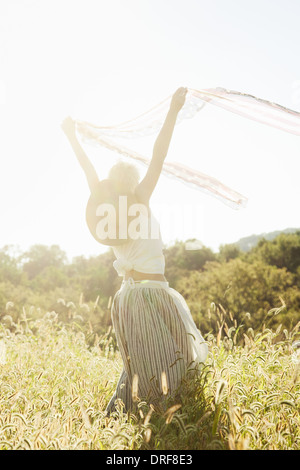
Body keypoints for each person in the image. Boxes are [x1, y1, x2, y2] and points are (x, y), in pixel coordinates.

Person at [61, 87, 208, 414]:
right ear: (118, 186)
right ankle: (124, 419)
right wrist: (72, 137)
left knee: (179, 356)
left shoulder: (137, 199)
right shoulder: (126, 204)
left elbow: (155, 157)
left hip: (158, 291)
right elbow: (153, 158)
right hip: (139, 296)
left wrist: (173, 110)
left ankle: (138, 416)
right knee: (150, 366)